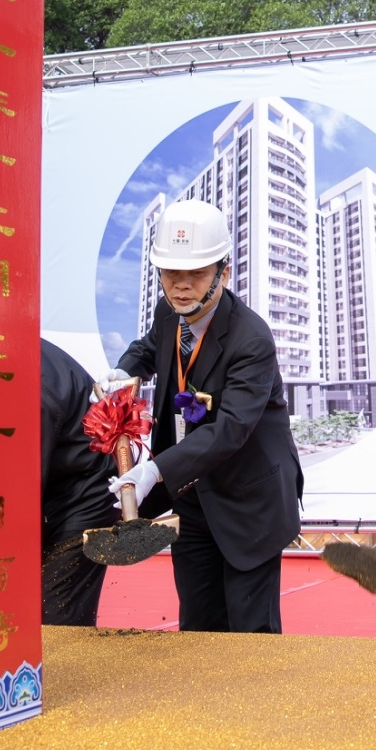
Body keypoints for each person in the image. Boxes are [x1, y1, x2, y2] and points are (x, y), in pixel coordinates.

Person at [105, 199, 302, 634]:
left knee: (251, 637)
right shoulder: (168, 314)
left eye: (195, 274)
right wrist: (125, 371)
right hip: (193, 495)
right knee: (198, 628)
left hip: (249, 501)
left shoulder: (251, 339)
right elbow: (147, 347)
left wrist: (154, 470)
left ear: (223, 273)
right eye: (170, 274)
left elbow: (230, 429)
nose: (181, 286)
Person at [40, 338, 118, 626]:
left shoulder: (32, 386)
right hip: (57, 482)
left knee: (53, 608)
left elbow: (23, 489)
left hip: (88, 493)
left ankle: (68, 669)